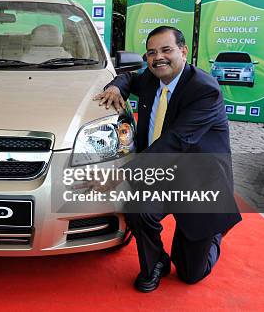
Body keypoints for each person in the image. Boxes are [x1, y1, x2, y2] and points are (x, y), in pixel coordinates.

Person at [94, 25, 241, 292]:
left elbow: (175, 143)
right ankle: (155, 263)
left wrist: (120, 175)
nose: (157, 57)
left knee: (190, 274)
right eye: (151, 52)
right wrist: (116, 86)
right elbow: (129, 78)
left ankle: (214, 235)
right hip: (160, 173)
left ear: (183, 51)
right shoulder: (151, 78)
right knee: (137, 207)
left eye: (166, 50)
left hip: (197, 182)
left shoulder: (204, 90)